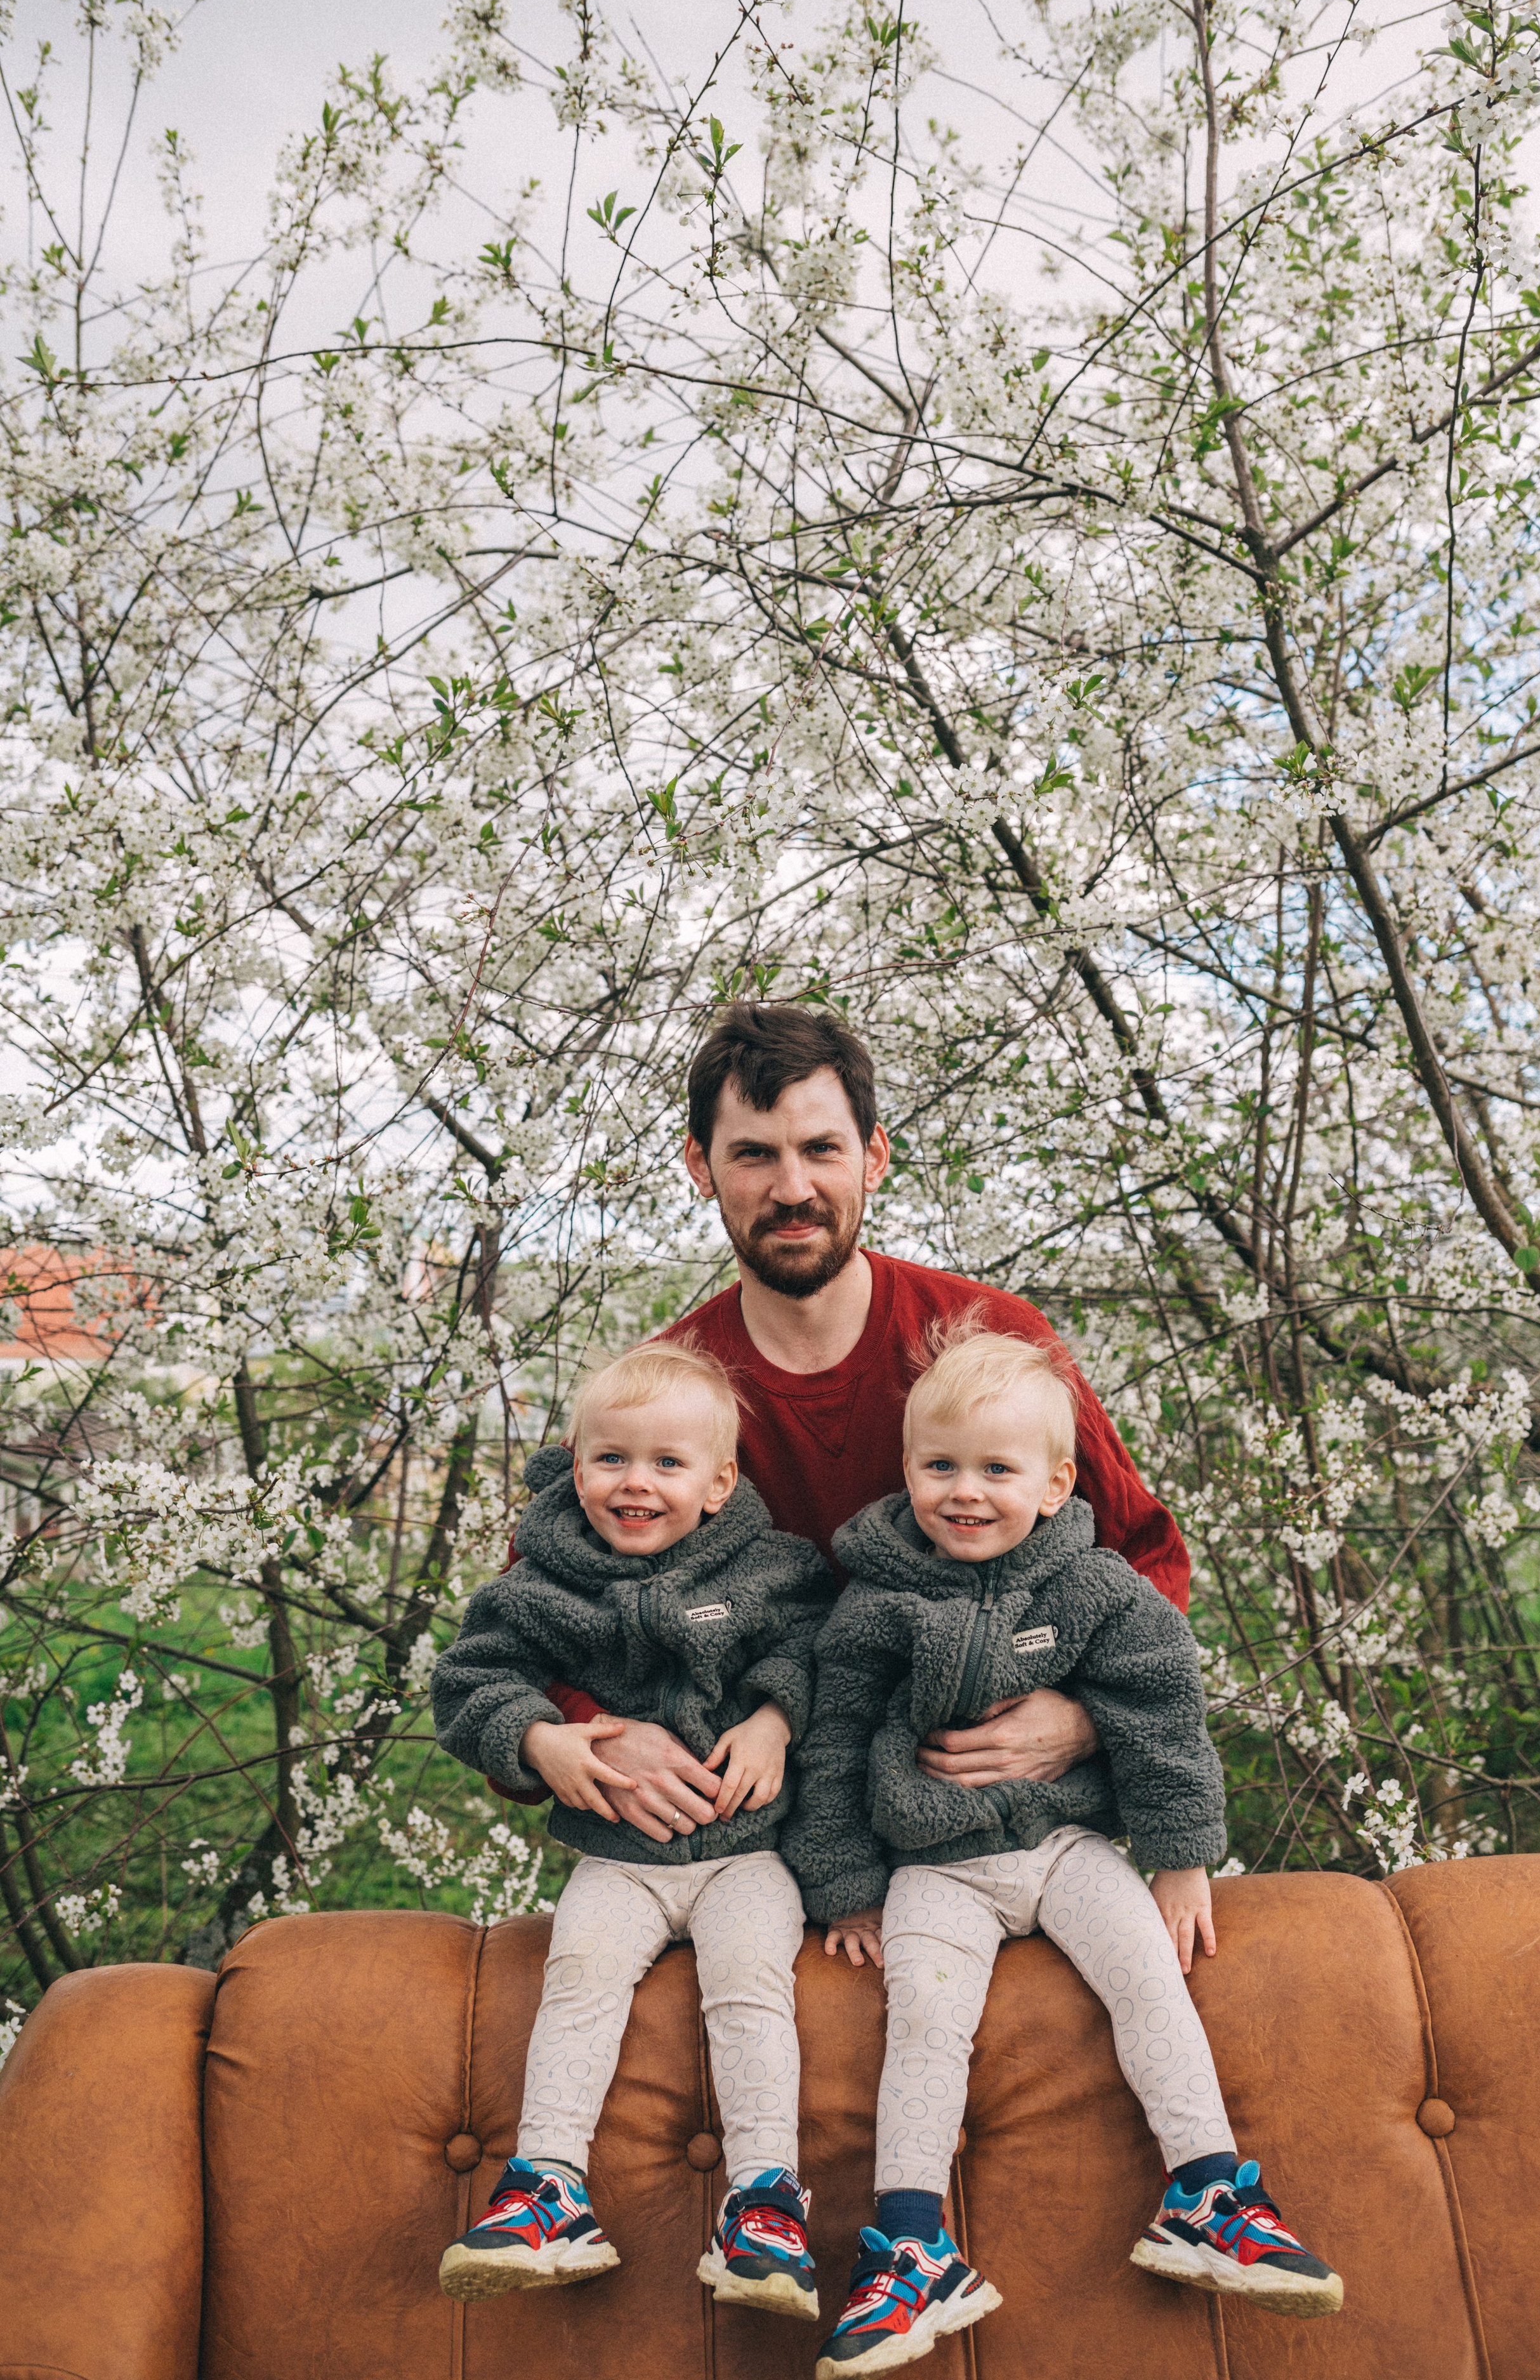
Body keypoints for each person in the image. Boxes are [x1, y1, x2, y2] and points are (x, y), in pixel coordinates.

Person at [784, 1329, 1342, 2376]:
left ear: (1053, 1484)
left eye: (997, 1470)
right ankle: (911, 2242)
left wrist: (1180, 1856)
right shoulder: (876, 1603)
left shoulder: (1093, 1589)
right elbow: (832, 1748)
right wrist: (847, 1889)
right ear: (906, 1471)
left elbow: (1161, 1710)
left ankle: (1208, 2191)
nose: (965, 1492)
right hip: (933, 1869)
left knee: (1148, 1980)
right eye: (939, 1466)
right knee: (925, 2030)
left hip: (1067, 1846)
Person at [542, 1001, 1194, 1848]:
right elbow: (535, 1611)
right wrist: (578, 1731)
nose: (793, 1189)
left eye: (821, 1149)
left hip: (988, 1830)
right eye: (753, 1155)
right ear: (700, 1166)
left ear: (874, 1156)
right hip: (749, 1846)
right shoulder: (663, 1397)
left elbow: (1147, 1556)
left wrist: (1086, 1717)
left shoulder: (996, 1341)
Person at [430, 1340, 834, 2321]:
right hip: (621, 1859)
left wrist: (777, 1717)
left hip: (746, 1851)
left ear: (718, 1481)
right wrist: (544, 1737)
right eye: (611, 1460)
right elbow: (468, 1679)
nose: (635, 1484)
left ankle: (767, 2200)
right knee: (579, 1980)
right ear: (577, 1465)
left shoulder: (771, 1568)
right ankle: (547, 2187)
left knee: (750, 1993)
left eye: (667, 1464)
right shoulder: (547, 1583)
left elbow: (826, 1651)